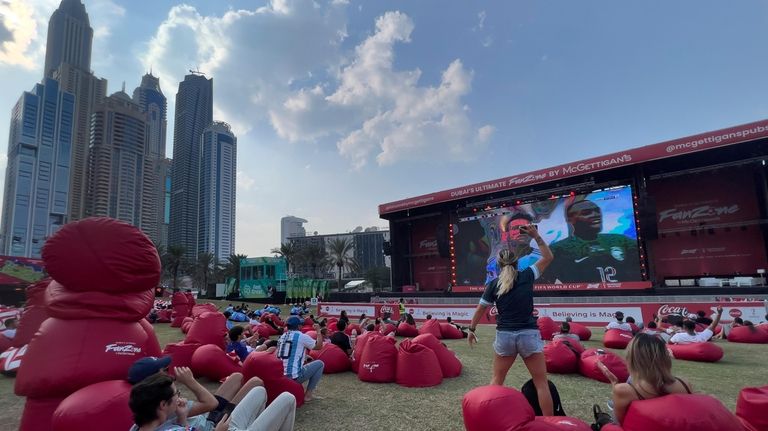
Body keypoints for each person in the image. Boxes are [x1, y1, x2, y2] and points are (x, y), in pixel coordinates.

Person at [468, 224, 555, 416]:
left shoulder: (493, 284)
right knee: (541, 384)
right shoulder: (527, 275)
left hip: (505, 336)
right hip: (528, 335)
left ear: (499, 265)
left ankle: (488, 420)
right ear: (517, 262)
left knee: (497, 381)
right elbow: (548, 257)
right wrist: (536, 236)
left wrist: (471, 329)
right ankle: (550, 425)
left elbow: (481, 308)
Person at [127, 356, 264, 426]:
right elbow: (211, 403)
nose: (170, 373)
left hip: (204, 418)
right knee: (257, 383)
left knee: (237, 376)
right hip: (214, 424)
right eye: (165, 370)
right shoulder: (163, 406)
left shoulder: (147, 403)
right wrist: (189, 381)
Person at [594, 333, 693, 427]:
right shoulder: (684, 384)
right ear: (664, 357)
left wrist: (614, 384)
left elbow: (620, 424)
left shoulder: (625, 390)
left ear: (632, 358)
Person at [541, 199, 640, 283]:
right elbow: (543, 283)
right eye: (586, 213)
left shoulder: (621, 240)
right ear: (570, 219)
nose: (595, 215)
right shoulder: (559, 249)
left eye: (597, 211)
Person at [129, 367, 219, 430]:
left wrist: (182, 417)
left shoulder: (136, 427)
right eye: (177, 393)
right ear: (163, 404)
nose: (179, 397)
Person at [276, 316, 325, 401]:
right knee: (320, 364)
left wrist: (304, 356)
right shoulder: (301, 336)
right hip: (293, 377)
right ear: (299, 326)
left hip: (279, 376)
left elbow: (286, 352)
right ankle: (308, 395)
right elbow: (319, 346)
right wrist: (318, 331)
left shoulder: (282, 336)